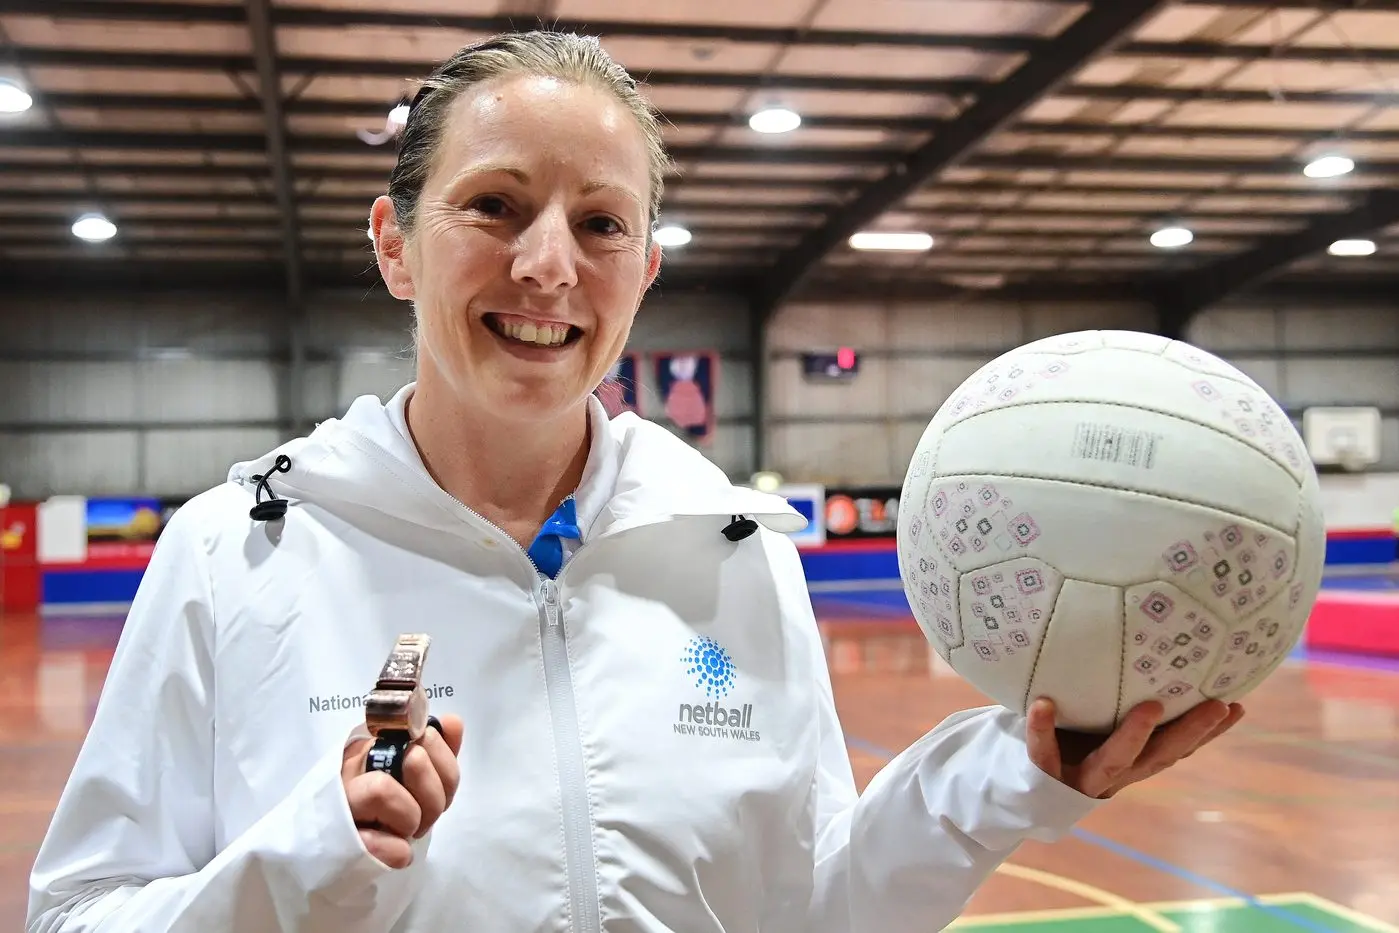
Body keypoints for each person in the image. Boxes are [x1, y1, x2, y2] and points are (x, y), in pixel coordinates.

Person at [26, 32, 1242, 933]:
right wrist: (304, 858)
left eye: (600, 224)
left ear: (645, 270)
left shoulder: (729, 546)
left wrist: (1014, 778)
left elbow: (815, 903)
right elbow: (81, 911)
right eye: (495, 206)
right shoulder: (239, 550)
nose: (548, 265)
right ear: (395, 246)